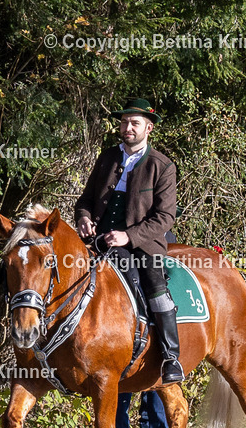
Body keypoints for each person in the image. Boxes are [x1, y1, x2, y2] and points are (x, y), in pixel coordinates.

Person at [74, 97, 184, 384]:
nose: (128, 127)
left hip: (141, 245)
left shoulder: (162, 165)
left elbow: (165, 218)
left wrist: (128, 235)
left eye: (135, 123)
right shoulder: (107, 157)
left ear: (149, 128)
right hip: (98, 240)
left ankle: (171, 358)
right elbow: (85, 199)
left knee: (155, 286)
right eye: (124, 122)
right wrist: (84, 217)